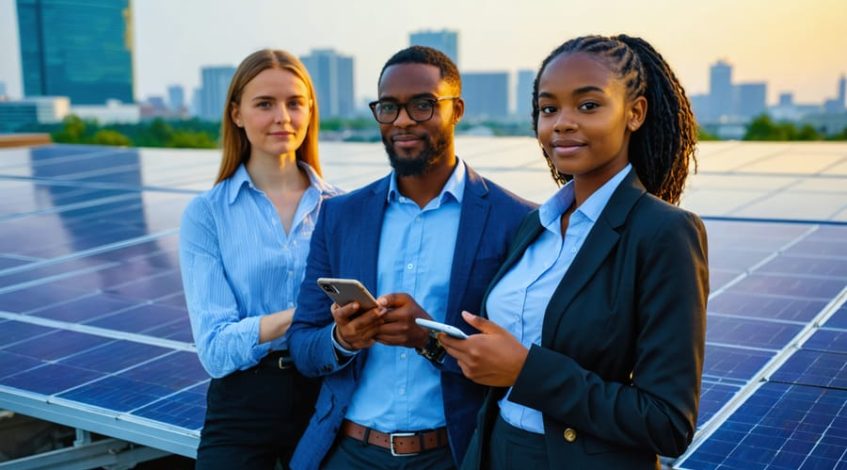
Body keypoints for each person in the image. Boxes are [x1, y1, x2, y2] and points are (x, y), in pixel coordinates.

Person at [440, 34, 709, 469]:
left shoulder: (665, 233)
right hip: (496, 451)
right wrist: (434, 339)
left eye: (588, 106)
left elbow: (668, 422)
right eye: (549, 109)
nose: (562, 123)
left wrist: (527, 372)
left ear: (634, 113)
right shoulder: (536, 225)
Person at [287, 46, 535, 470]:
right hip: (346, 452)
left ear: (456, 110)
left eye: (422, 105)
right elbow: (303, 343)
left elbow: (519, 360)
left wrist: (429, 339)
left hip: (452, 454)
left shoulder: (515, 221)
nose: (402, 120)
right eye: (388, 107)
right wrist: (344, 339)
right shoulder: (340, 217)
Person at [179, 49, 340, 469]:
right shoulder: (208, 213)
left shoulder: (341, 208)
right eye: (264, 104)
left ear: (309, 111)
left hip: (327, 393)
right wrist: (303, 312)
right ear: (237, 114)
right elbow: (214, 350)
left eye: (294, 103)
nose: (282, 117)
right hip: (242, 405)